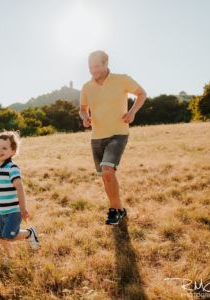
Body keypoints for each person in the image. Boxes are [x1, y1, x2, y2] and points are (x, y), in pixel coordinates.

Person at [79, 50, 147, 225]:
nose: (93, 70)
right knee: (106, 175)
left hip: (118, 133)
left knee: (107, 169)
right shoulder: (87, 87)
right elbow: (82, 108)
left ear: (105, 64)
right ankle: (119, 209)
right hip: (97, 136)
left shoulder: (122, 79)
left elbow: (142, 94)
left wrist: (132, 112)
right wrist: (85, 117)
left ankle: (113, 211)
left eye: (96, 66)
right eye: (90, 67)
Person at [0, 131, 40, 259]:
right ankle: (11, 257)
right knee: (1, 237)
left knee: (9, 236)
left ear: (13, 151)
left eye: (4, 148)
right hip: (1, 211)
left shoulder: (12, 168)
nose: (0, 150)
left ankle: (30, 233)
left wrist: (23, 209)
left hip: (14, 210)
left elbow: (20, 188)